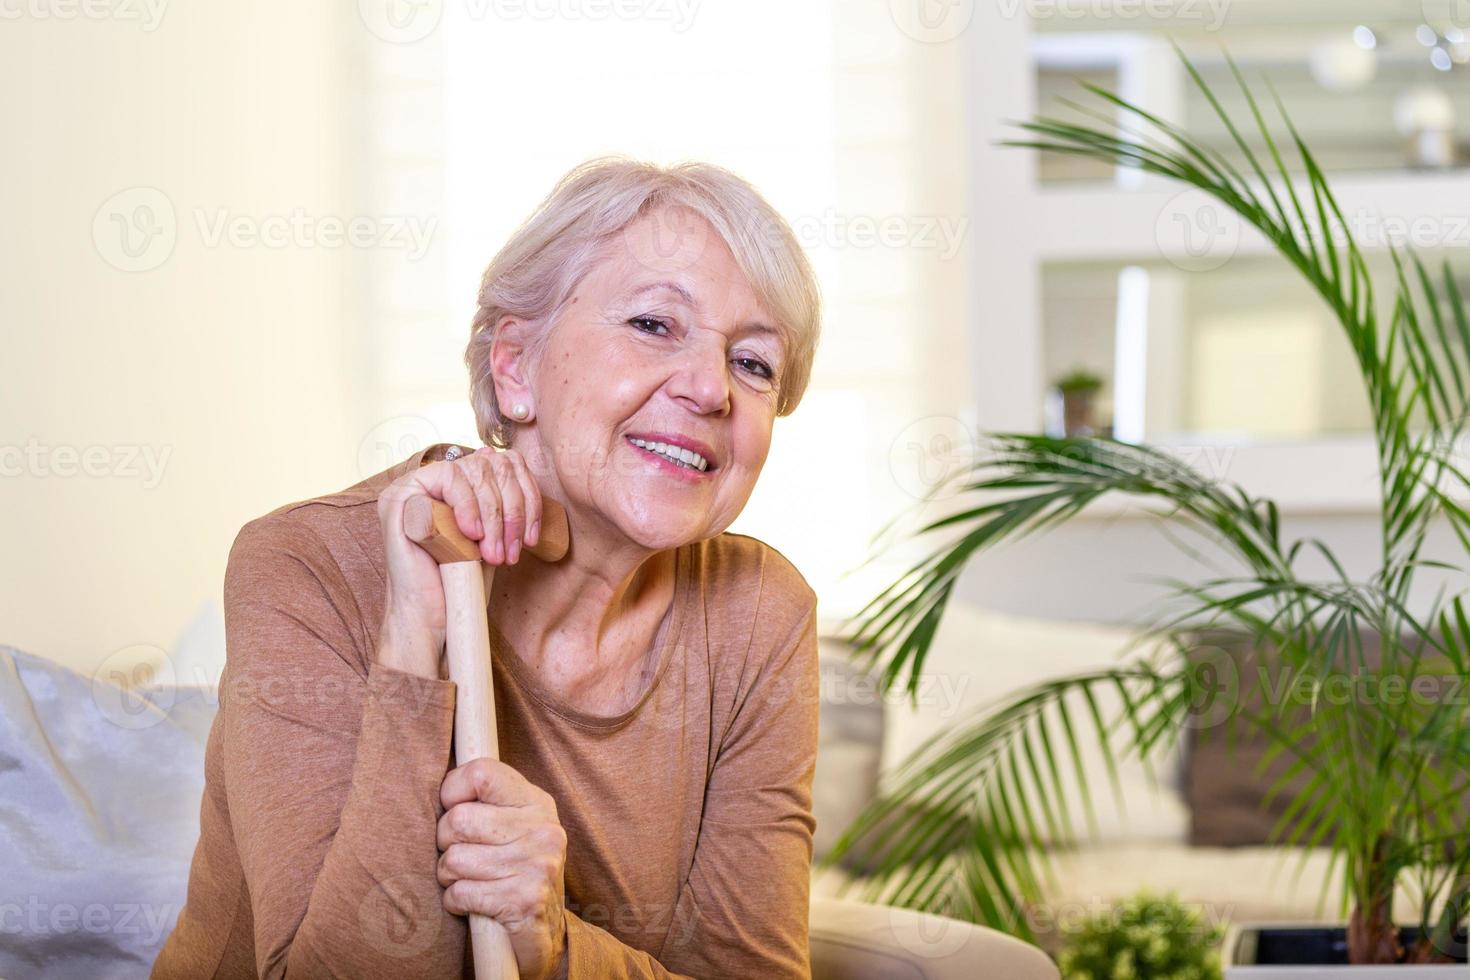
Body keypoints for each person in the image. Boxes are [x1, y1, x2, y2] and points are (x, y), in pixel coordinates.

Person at [152, 156, 825, 978]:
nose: (712, 389)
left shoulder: (758, 612)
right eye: (654, 324)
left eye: (755, 363)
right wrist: (416, 648)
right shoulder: (307, 565)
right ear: (514, 367)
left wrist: (552, 944)